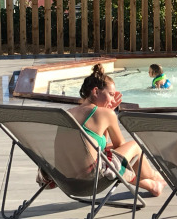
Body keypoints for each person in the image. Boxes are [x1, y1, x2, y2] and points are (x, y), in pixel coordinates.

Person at [67, 63, 167, 196]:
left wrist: (108, 112)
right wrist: (110, 113)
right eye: (111, 94)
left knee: (110, 150)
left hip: (67, 177)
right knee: (135, 146)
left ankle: (152, 185)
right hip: (91, 178)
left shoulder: (68, 113)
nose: (113, 99)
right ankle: (155, 177)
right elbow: (120, 146)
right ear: (96, 91)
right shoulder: (105, 114)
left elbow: (101, 145)